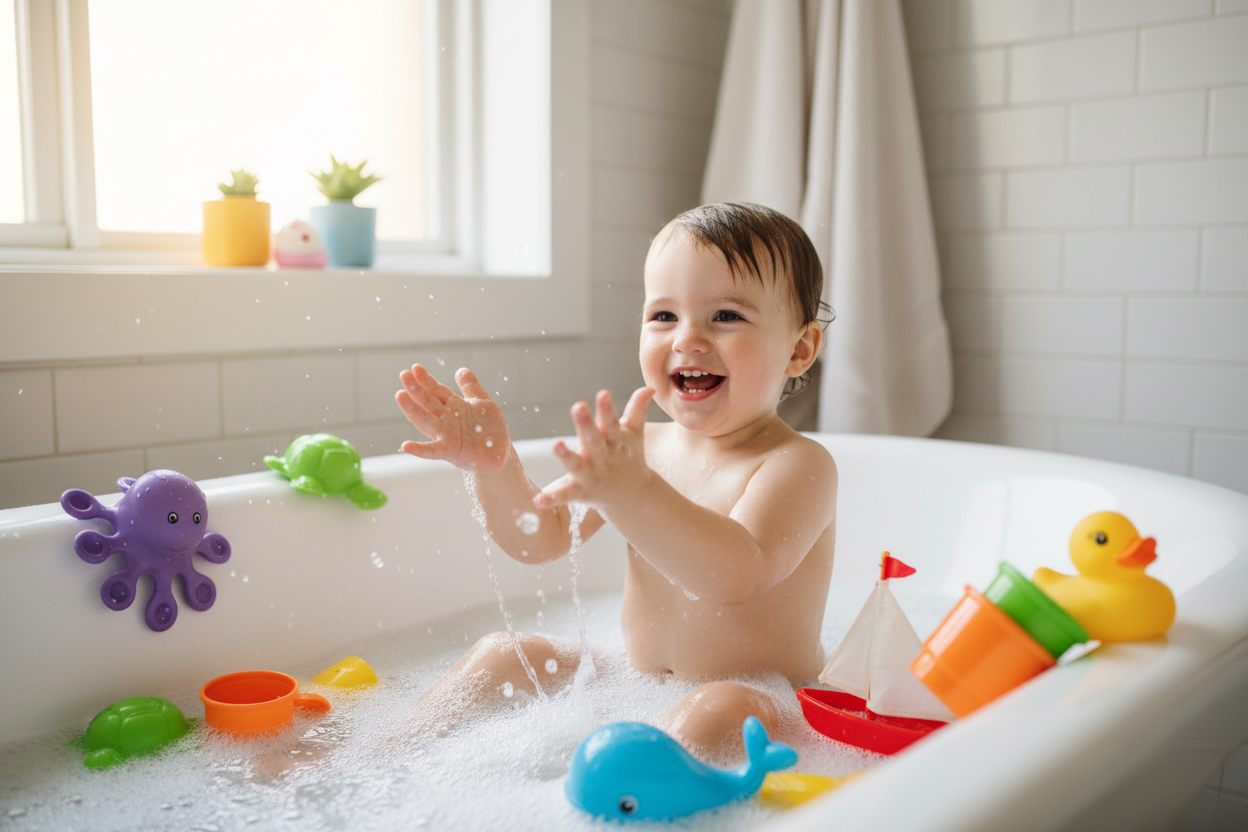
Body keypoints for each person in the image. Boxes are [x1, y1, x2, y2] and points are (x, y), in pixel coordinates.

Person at [394, 202, 836, 762]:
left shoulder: (798, 464)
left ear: (799, 349)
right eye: (664, 316)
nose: (688, 339)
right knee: (502, 653)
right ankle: (365, 761)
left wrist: (637, 494)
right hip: (635, 679)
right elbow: (541, 539)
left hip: (762, 699)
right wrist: (496, 466)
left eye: (726, 316)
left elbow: (736, 573)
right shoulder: (640, 448)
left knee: (710, 714)